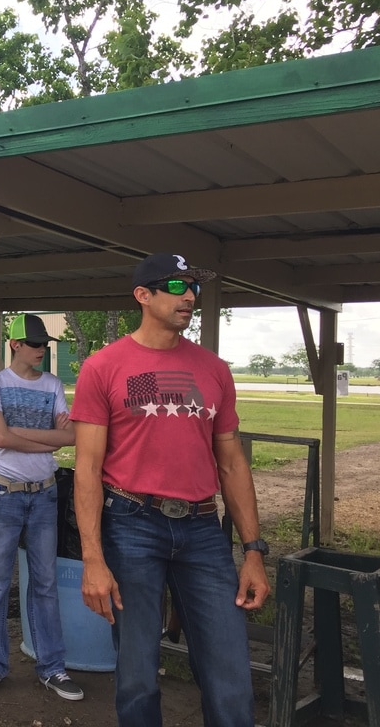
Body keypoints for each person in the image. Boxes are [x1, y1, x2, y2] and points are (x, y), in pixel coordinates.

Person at [71, 252, 271, 726]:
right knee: (137, 672)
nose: (190, 297)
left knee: (229, 672)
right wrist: (93, 559)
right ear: (143, 295)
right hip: (131, 525)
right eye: (177, 287)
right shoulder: (103, 367)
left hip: (203, 531)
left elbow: (232, 462)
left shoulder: (215, 369)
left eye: (194, 288)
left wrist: (254, 551)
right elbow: (87, 468)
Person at [0, 314, 83, 701]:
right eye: (35, 343)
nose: (41, 350)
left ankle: (52, 667)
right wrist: (47, 441)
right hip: (6, 495)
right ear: (15, 345)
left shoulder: (53, 384)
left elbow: (68, 437)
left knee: (45, 582)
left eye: (44, 344)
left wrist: (22, 437)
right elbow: (1, 436)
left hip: (45, 494)